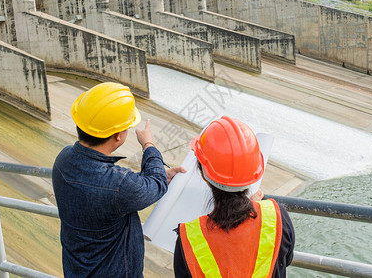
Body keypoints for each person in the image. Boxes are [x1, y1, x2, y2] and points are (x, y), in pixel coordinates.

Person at [52, 82, 185, 277]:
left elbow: (112, 189)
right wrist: (148, 144)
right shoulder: (119, 186)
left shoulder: (63, 160)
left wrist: (156, 177)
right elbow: (154, 185)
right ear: (117, 136)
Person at [174, 115, 295, 278]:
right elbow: (283, 261)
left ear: (204, 176)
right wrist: (254, 208)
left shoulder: (188, 239)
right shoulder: (277, 217)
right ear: (254, 172)